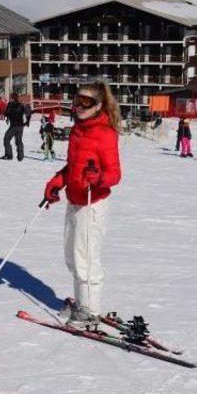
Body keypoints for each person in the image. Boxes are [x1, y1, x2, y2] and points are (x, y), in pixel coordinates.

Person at [42, 81, 121, 326]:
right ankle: (80, 302)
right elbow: (72, 168)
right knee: (71, 256)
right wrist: (57, 183)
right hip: (75, 200)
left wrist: (97, 178)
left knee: (86, 258)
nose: (79, 106)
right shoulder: (78, 130)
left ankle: (90, 309)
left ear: (98, 105)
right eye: (76, 100)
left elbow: (114, 174)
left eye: (85, 102)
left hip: (92, 204)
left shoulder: (105, 133)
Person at [2, 92, 26, 160]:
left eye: (11, 98)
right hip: (20, 126)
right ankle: (20, 156)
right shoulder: (21, 105)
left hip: (14, 126)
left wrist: (9, 104)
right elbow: (25, 113)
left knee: (6, 139)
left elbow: (6, 113)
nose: (10, 99)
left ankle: (9, 155)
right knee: (19, 141)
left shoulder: (11, 105)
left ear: (13, 98)